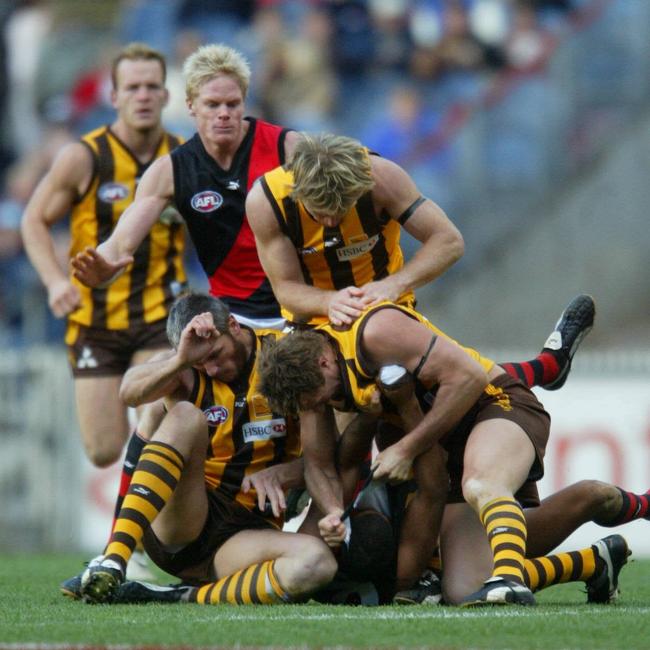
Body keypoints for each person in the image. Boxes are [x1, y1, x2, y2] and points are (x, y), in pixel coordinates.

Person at [256, 300, 631, 606]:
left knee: (482, 483)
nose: (327, 405)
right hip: (433, 434)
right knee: (464, 589)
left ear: (324, 361)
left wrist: (406, 444)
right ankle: (594, 554)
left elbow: (469, 377)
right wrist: (335, 511)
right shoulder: (313, 384)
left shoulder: (375, 331)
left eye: (325, 397)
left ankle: (509, 580)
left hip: (492, 403)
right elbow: (326, 467)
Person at [245, 132, 593, 390]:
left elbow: (449, 241)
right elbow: (286, 289)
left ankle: (547, 367)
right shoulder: (267, 202)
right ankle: (547, 368)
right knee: (312, 412)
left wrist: (392, 285)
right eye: (321, 214)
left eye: (341, 210)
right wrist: (330, 300)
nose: (332, 223)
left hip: (384, 307)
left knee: (454, 384)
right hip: (313, 320)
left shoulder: (382, 178)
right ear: (299, 192)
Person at [80, 291, 337, 605]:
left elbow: (322, 458)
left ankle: (180, 596)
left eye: (215, 354)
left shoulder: (281, 359)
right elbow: (129, 392)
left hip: (245, 535)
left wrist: (285, 472)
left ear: (233, 325)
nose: (212, 369)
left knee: (316, 563)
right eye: (201, 363)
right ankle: (115, 558)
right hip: (186, 519)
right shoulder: (188, 369)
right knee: (182, 414)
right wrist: (181, 360)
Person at [22, 42, 186, 470]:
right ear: (113, 97)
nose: (144, 96)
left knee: (155, 428)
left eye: (152, 87)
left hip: (160, 317)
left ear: (167, 95)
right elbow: (33, 220)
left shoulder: (185, 156)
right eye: (133, 87)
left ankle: (154, 530)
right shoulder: (84, 157)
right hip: (94, 322)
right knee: (103, 450)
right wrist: (56, 281)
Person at [70, 42, 300, 330]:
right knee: (161, 373)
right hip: (232, 320)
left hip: (299, 308)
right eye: (212, 105)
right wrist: (102, 267)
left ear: (244, 101)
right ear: (191, 105)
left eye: (233, 103)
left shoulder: (287, 147)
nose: (224, 113)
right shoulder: (170, 171)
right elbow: (120, 243)